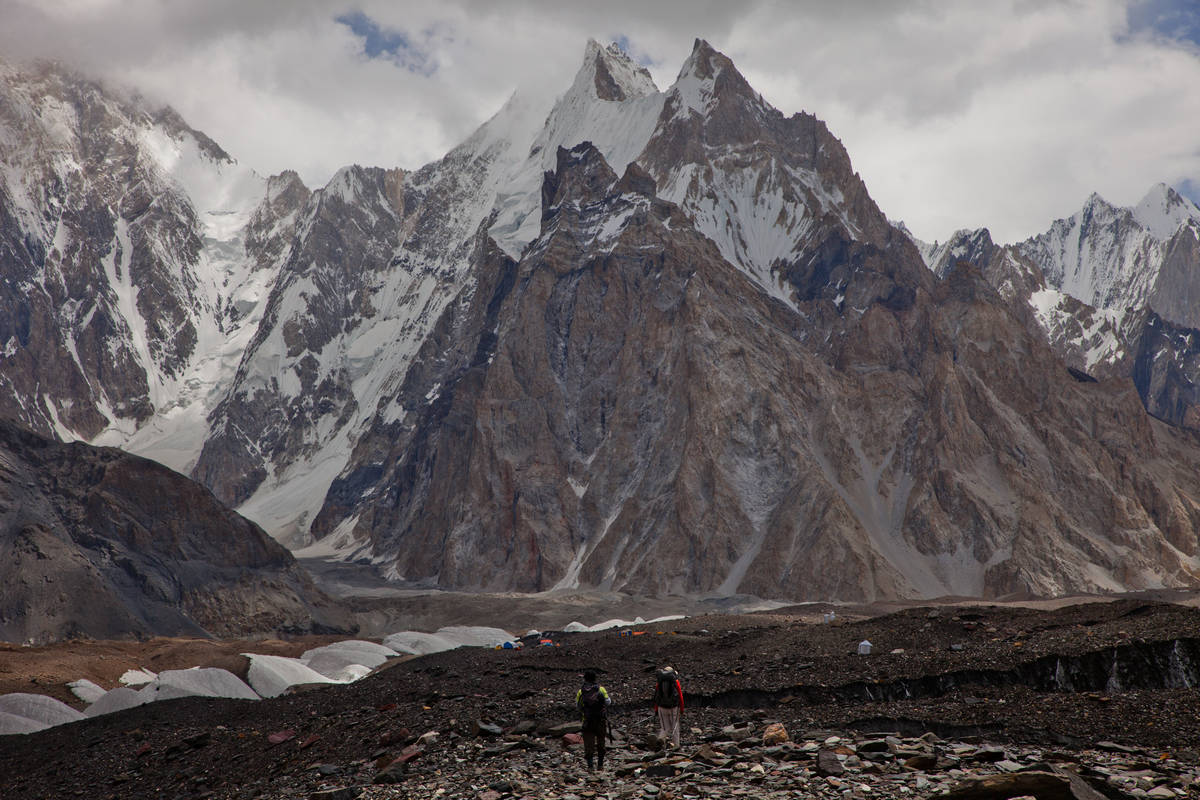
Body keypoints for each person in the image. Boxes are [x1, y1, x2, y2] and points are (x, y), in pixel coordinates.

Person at [575, 670, 611, 771]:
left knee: (588, 744)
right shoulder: (601, 689)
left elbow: (578, 707)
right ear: (595, 678)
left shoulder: (581, 691)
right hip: (600, 720)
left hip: (587, 721)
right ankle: (600, 765)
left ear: (585, 679)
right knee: (601, 742)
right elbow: (608, 702)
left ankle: (590, 766)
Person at [653, 665, 683, 749]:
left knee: (664, 727)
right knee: (675, 726)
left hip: (662, 708)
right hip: (674, 708)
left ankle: (661, 741)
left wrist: (656, 710)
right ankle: (676, 746)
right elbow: (680, 695)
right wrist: (682, 709)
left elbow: (656, 697)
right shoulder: (674, 681)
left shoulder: (660, 681)